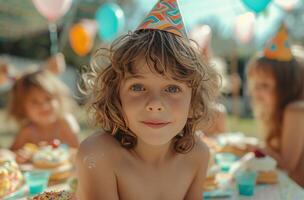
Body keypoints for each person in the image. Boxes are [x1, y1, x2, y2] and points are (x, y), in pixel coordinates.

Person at [76, 0, 221, 199]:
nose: (155, 104)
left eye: (172, 88)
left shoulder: (198, 155)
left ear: (193, 101)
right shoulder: (98, 155)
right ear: (115, 95)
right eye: (137, 87)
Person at [246, 25, 304, 187]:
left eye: (264, 85)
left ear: (286, 87)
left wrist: (255, 146)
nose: (256, 93)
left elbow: (287, 164)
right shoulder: (278, 112)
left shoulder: (296, 110)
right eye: (255, 85)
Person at [8, 69, 80, 150]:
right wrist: (20, 155)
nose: (43, 106)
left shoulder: (66, 123)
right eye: (35, 102)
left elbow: (78, 152)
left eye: (48, 99)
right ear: (22, 107)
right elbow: (11, 154)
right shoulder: (27, 131)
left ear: (59, 99)